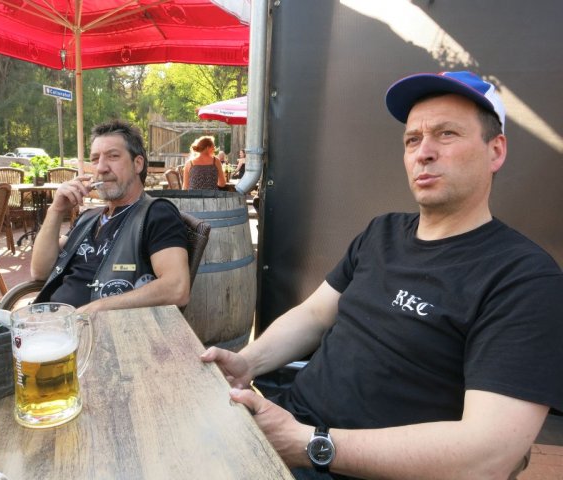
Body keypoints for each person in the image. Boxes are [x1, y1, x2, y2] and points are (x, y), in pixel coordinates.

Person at [201, 71, 563, 479]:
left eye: (446, 134)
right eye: (412, 139)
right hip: (289, 427)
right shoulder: (382, 232)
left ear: (495, 151)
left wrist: (310, 444)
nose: (423, 152)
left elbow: (488, 456)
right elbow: (315, 315)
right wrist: (246, 363)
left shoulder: (524, 279)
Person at [31, 119, 190, 313]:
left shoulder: (156, 214)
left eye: (113, 156)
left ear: (137, 164)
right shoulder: (88, 218)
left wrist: (96, 308)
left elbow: (177, 288)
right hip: (50, 321)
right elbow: (40, 271)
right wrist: (55, 211)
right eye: (95, 159)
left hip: (101, 327)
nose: (101, 168)